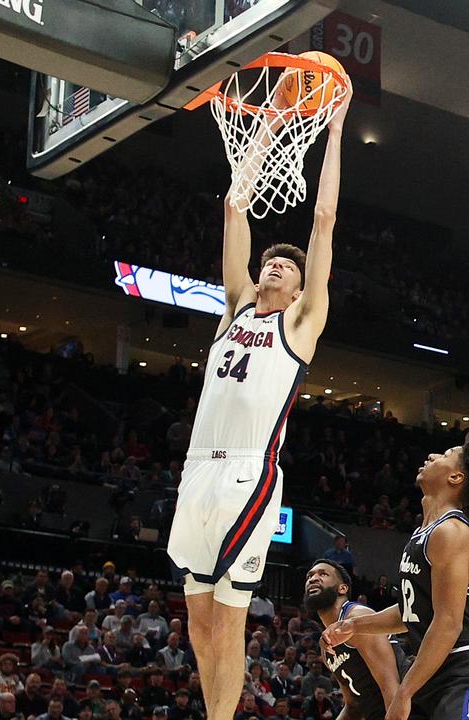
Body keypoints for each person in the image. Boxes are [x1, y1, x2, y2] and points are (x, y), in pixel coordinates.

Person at [166, 75, 350, 720]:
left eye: (287, 266)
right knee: (196, 619)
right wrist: (270, 122)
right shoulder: (236, 308)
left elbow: (323, 220)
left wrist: (332, 127)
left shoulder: (299, 325)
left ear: (302, 288)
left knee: (228, 618)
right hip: (198, 470)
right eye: (270, 262)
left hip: (249, 473)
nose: (274, 266)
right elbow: (235, 205)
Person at [322, 437, 469, 720]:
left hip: (465, 669)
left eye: (445, 454)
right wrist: (354, 625)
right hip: (432, 671)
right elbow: (410, 613)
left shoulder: (451, 532)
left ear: (456, 476)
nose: (431, 455)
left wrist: (404, 692)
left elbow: (447, 623)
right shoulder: (423, 532)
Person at [304, 559, 400, 719]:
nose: (313, 579)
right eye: (309, 576)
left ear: (342, 588)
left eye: (323, 574)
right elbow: (353, 705)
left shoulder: (358, 618)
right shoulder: (326, 648)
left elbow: (392, 687)